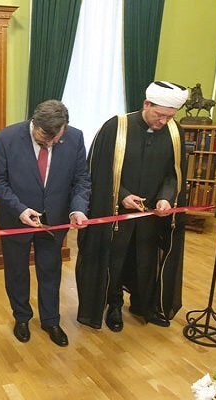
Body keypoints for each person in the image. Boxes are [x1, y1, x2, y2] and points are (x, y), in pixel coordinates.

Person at [76, 81, 188, 333]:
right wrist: (122, 196)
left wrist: (166, 198)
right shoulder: (116, 127)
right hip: (117, 213)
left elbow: (175, 173)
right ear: (146, 104)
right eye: (159, 115)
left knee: (146, 260)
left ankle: (144, 305)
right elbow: (98, 171)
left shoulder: (174, 132)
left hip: (153, 215)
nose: (163, 121)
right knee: (115, 260)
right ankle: (114, 305)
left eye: (170, 117)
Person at [0, 99, 90, 347]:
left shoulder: (75, 137)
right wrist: (20, 209)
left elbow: (81, 179)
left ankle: (51, 320)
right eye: (45, 138)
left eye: (56, 138)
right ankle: (22, 317)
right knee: (16, 271)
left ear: (65, 128)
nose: (50, 143)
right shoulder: (6, 138)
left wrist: (77, 209)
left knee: (50, 270)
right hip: (16, 218)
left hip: (55, 220)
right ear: (34, 123)